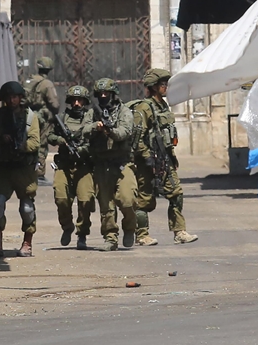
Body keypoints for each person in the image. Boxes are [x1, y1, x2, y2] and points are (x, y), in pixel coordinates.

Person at [133, 69, 198, 245]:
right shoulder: (143, 108)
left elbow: (165, 135)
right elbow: (137, 139)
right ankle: (141, 235)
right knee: (144, 199)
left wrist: (172, 156)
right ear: (153, 87)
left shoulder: (163, 105)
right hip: (147, 161)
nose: (166, 87)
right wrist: (147, 158)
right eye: (163, 84)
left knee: (176, 193)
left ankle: (179, 232)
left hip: (164, 159)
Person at [0, 81, 40, 258]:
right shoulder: (0, 116)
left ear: (20, 98)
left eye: (14, 97)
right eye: (8, 97)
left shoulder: (30, 118)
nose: (11, 100)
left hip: (24, 170)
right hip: (5, 169)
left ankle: (27, 243)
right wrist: (1, 139)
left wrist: (20, 145)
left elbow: (35, 142)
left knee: (27, 208)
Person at [84, 78, 137, 251]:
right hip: (101, 164)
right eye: (100, 94)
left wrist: (110, 131)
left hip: (122, 163)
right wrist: (96, 127)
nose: (103, 96)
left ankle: (129, 228)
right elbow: (82, 130)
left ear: (114, 94)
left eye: (106, 93)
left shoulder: (124, 112)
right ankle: (110, 237)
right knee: (106, 205)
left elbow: (124, 132)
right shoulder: (92, 113)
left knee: (127, 199)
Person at [47, 85, 96, 250]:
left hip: (84, 166)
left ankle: (82, 234)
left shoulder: (91, 119)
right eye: (74, 100)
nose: (76, 103)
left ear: (85, 101)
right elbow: (50, 136)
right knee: (61, 198)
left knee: (86, 199)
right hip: (64, 165)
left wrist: (84, 149)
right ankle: (67, 227)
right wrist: (61, 141)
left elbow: (97, 142)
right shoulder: (62, 118)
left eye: (80, 100)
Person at [23, 57, 60, 183]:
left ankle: (27, 170)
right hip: (42, 118)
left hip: (28, 116)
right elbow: (54, 104)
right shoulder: (46, 84)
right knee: (41, 145)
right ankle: (39, 174)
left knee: (29, 142)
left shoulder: (29, 80)